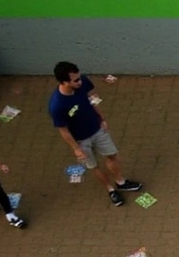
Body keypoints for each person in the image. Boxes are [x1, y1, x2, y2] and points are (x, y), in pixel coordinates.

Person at [48, 61, 143, 207]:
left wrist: (102, 118)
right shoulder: (57, 105)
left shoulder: (83, 82)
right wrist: (76, 148)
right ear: (64, 82)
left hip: (97, 129)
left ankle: (121, 182)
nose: (80, 81)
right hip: (81, 140)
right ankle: (110, 190)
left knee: (112, 155)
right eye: (76, 80)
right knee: (94, 166)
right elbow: (63, 130)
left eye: (79, 77)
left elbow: (92, 98)